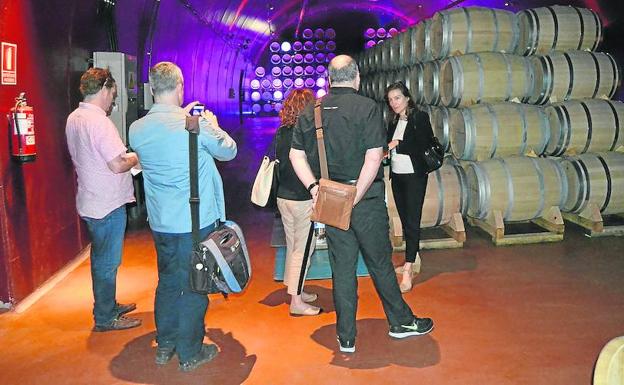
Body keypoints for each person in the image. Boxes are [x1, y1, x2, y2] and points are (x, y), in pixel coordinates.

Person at [289, 55, 434, 354]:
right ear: (356, 78)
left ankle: (346, 337)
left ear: (329, 79)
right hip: (364, 201)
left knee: (341, 268)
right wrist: (356, 194)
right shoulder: (368, 108)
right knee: (380, 263)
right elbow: (373, 157)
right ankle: (400, 323)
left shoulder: (311, 111)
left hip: (330, 199)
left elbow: (295, 156)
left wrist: (314, 188)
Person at [128, 62, 237, 372]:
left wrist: (183, 114)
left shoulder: (137, 129)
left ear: (152, 89)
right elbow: (229, 151)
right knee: (195, 285)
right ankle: (190, 352)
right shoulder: (197, 125)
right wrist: (211, 124)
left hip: (161, 222)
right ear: (180, 87)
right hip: (194, 222)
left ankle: (165, 344)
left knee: (167, 282)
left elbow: (164, 133)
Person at [65, 67, 141, 332]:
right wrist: (136, 156)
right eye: (113, 94)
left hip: (90, 200)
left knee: (101, 260)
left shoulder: (74, 117)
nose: (113, 100)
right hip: (107, 203)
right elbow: (118, 164)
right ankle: (105, 317)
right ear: (105, 89)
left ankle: (107, 305)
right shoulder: (99, 122)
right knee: (108, 263)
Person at [274, 89, 321, 316]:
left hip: (283, 197)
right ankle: (297, 302)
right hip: (302, 199)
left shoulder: (282, 131)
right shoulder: (307, 134)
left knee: (293, 246)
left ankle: (296, 290)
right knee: (303, 249)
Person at [385, 81, 434, 293]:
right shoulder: (394, 120)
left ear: (407, 97)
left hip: (414, 176)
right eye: (390, 100)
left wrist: (397, 145)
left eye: (397, 98)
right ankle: (414, 257)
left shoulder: (419, 118)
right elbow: (387, 144)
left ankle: (408, 270)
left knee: (413, 220)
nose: (394, 103)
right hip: (397, 175)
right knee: (405, 220)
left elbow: (422, 144)